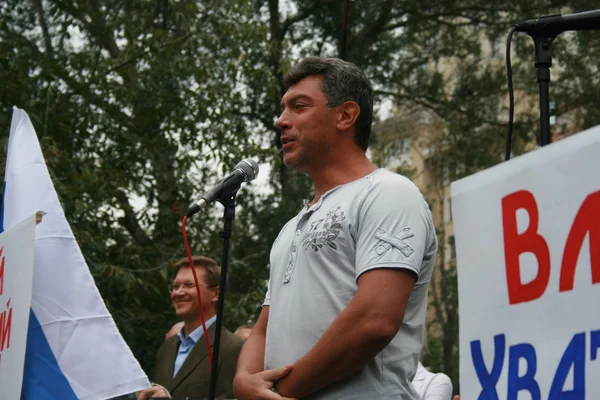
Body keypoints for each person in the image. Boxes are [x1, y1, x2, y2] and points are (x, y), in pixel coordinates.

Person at [233, 57, 437, 400]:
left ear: (346, 115)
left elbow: (374, 320)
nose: (281, 121)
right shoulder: (289, 229)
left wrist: (282, 392)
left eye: (299, 106)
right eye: (282, 108)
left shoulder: (388, 192)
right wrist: (243, 380)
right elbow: (263, 330)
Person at [137, 256, 243, 400]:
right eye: (175, 286)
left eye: (189, 285)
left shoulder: (232, 347)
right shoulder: (167, 348)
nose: (178, 293)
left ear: (216, 294)